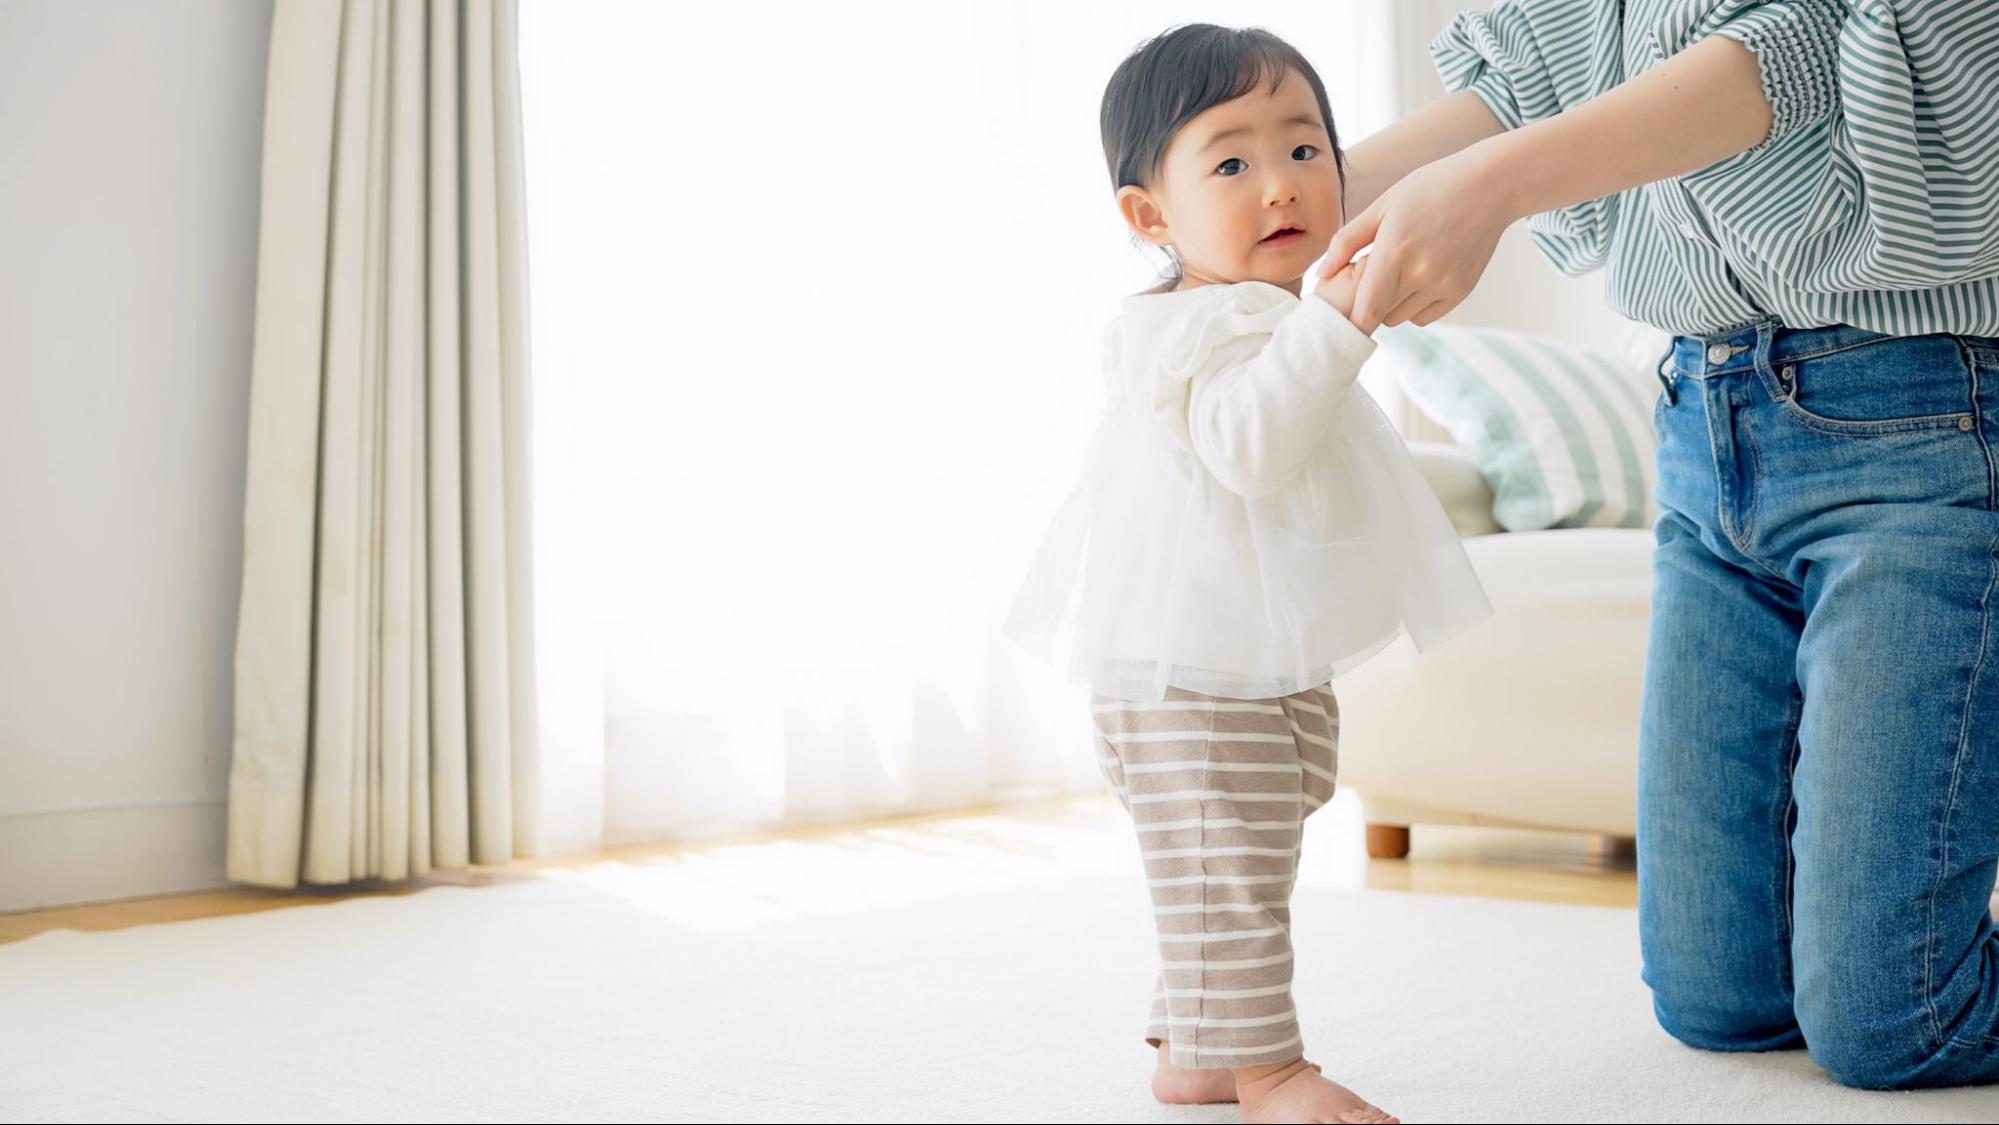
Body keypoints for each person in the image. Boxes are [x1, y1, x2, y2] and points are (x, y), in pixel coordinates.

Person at [1317, 0, 1999, 1090]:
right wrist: (1277, 196)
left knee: (1893, 1022)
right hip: (1699, 423)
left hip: (1920, 420)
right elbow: (1530, 69)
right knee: (1717, 1001)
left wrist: (1486, 188)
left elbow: (1786, 50)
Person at [1003, 23, 1492, 1122]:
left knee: (1241, 853)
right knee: (1225, 860)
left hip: (1243, 653)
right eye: (1230, 163)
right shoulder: (1196, 325)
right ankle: (1268, 1072)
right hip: (1186, 667)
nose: (1281, 184)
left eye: (1305, 150)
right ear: (1150, 217)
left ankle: (1194, 1045)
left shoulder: (1253, 309)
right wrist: (1335, 320)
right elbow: (1248, 447)